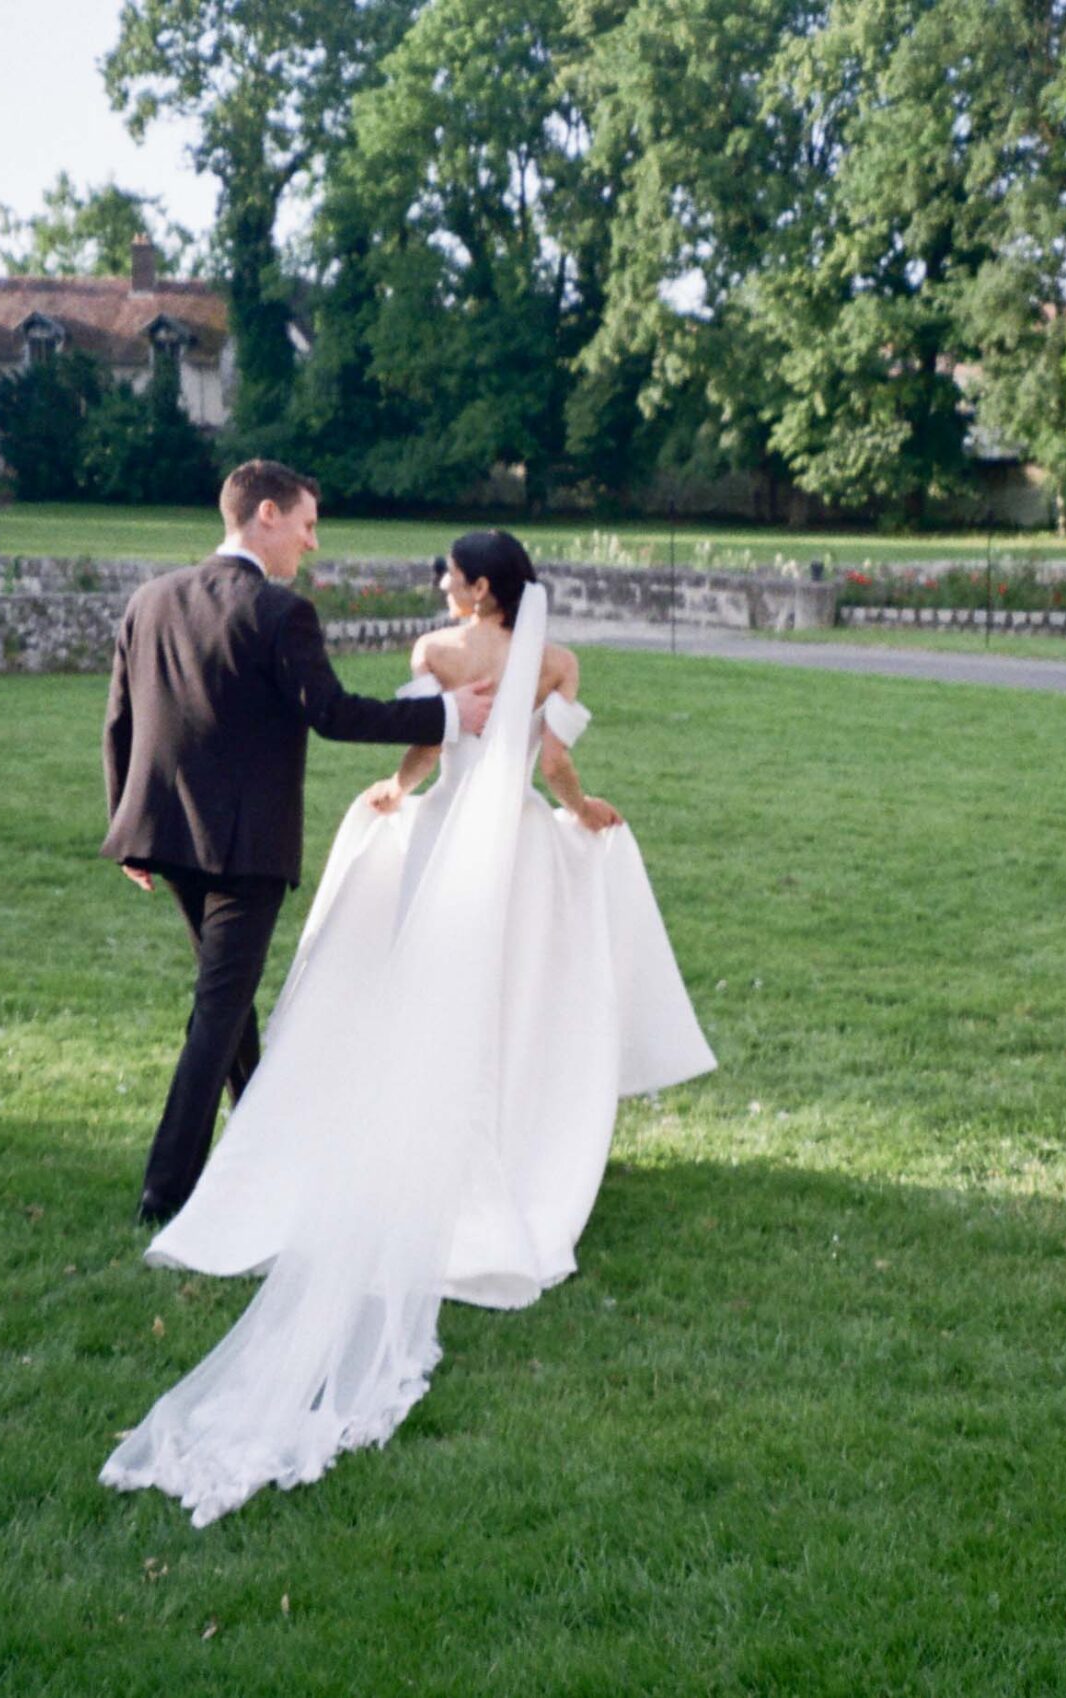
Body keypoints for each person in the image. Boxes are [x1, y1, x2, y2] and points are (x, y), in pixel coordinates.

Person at [103, 530, 715, 1527]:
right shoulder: (555, 661)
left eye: (448, 575)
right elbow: (549, 760)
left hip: (446, 845)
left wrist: (401, 787)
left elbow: (429, 745)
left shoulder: (438, 653)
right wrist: (582, 806)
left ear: (474, 589)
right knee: (509, 1000)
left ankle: (410, 1129)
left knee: (418, 987)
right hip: (513, 844)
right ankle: (511, 1141)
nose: (440, 586)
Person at [101, 459, 496, 1226]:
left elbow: (119, 717)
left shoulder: (150, 599)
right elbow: (335, 712)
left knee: (228, 999)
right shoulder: (280, 613)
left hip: (165, 833)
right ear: (268, 515)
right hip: (245, 848)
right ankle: (166, 1191)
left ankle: (259, 1134)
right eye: (308, 525)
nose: (311, 545)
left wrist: (129, 831)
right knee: (218, 1011)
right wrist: (447, 718)